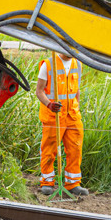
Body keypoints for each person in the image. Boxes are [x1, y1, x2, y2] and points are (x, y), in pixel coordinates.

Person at [35, 50, 88, 197]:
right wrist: (49, 104)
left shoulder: (77, 63)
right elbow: (39, 91)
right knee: (49, 148)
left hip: (72, 114)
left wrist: (76, 105)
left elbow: (76, 90)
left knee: (75, 148)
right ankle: (47, 182)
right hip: (54, 114)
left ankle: (73, 184)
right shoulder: (48, 64)